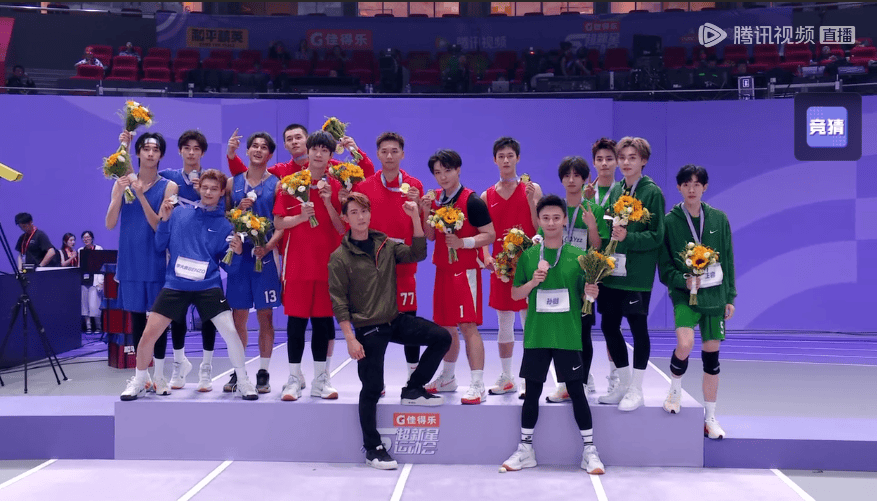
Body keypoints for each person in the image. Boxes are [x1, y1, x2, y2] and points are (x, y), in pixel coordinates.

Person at [328, 192, 452, 470]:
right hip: (367, 328)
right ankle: (372, 448)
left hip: (393, 319)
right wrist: (350, 339)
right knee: (372, 388)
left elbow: (417, 253)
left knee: (441, 337)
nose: (361, 217)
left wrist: (416, 217)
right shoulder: (339, 257)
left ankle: (413, 388)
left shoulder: (384, 243)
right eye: (354, 212)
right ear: (345, 218)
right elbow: (339, 302)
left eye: (364, 211)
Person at [120, 170, 258, 401]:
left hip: (208, 286)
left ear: (221, 192)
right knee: (148, 334)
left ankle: (243, 381)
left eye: (214, 189)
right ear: (198, 188)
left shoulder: (226, 225)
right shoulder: (179, 213)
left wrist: (238, 252)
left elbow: (230, 268)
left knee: (232, 333)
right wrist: (164, 220)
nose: (208, 192)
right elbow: (159, 245)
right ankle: (140, 380)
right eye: (205, 187)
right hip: (176, 284)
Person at [501, 195, 604, 474]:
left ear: (564, 220)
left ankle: (590, 451)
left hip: (567, 334)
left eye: (556, 218)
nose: (550, 223)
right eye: (545, 218)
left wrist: (591, 293)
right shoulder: (529, 257)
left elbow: (585, 295)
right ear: (539, 220)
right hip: (537, 334)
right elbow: (516, 294)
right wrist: (533, 282)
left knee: (577, 391)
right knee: (532, 392)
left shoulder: (578, 257)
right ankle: (525, 450)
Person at [658, 164, 736, 440]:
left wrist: (730, 296)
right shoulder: (669, 222)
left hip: (715, 296)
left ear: (705, 187)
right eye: (686, 184)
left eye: (697, 184)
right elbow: (664, 267)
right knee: (685, 344)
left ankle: (710, 418)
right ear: (679, 188)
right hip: (685, 295)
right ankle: (674, 390)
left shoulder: (718, 218)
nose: (691, 189)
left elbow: (727, 258)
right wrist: (683, 280)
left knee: (712, 357)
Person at [273, 131, 345, 401]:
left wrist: (327, 202)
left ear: (330, 155)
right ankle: (293, 379)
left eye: (324, 150)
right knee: (296, 323)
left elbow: (342, 228)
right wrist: (300, 218)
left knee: (323, 323)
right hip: (297, 265)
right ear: (308, 150)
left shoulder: (336, 186)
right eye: (315, 148)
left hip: (328, 265)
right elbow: (278, 222)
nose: (318, 154)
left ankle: (321, 380)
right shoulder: (290, 184)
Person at [106, 132, 179, 395]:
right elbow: (110, 223)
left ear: (161, 155)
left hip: (156, 261)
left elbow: (160, 226)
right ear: (137, 153)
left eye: (155, 149)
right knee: (137, 321)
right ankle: (142, 377)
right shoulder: (122, 184)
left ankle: (159, 376)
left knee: (158, 323)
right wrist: (119, 193)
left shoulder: (169, 187)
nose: (150, 153)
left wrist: (141, 195)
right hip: (129, 262)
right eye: (145, 148)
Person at [421, 149, 496, 405]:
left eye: (447, 170)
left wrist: (463, 242)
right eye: (437, 172)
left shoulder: (472, 200)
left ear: (458, 170)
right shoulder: (436, 200)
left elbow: (490, 235)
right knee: (446, 327)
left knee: (467, 326)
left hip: (465, 272)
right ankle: (448, 377)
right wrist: (425, 211)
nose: (443, 177)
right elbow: (431, 236)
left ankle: (477, 383)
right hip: (442, 270)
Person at [597, 137, 665, 412]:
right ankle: (623, 385)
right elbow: (607, 223)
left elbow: (657, 236)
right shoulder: (616, 190)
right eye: (622, 157)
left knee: (638, 328)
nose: (626, 162)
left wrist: (629, 238)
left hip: (637, 275)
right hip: (613, 272)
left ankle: (637, 389)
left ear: (643, 161)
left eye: (632, 158)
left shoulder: (652, 193)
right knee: (608, 326)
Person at [351, 132, 425, 385]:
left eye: (394, 151)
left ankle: (413, 378)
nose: (390, 156)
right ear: (378, 155)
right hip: (372, 269)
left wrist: (420, 205)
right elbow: (356, 225)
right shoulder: (364, 187)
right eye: (384, 151)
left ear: (402, 154)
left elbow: (422, 225)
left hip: (404, 268)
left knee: (410, 324)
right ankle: (375, 381)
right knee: (372, 326)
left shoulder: (414, 187)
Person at [478, 137, 541, 398]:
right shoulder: (486, 196)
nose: (506, 160)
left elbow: (539, 227)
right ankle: (507, 378)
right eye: (501, 156)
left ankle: (529, 379)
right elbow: (484, 232)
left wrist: (531, 201)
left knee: (529, 324)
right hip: (501, 269)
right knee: (504, 323)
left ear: (518, 158)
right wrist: (486, 256)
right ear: (495, 160)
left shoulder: (532, 189)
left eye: (510, 156)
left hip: (527, 268)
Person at [222, 132, 283, 394]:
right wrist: (239, 212)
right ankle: (239, 370)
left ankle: (263, 371)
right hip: (240, 257)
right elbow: (224, 217)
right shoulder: (231, 183)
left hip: (265, 257)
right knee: (239, 316)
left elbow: (281, 224)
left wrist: (268, 246)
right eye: (254, 146)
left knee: (265, 316)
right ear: (247, 151)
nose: (258, 150)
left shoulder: (278, 185)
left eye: (264, 147)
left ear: (270, 154)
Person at [545, 156, 609, 403]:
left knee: (583, 333)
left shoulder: (595, 210)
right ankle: (565, 384)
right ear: (561, 179)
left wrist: (592, 226)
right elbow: (543, 239)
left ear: (584, 179)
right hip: (559, 280)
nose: (571, 180)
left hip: (584, 283)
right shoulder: (555, 210)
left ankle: (580, 383)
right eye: (567, 175)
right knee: (560, 333)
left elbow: (599, 247)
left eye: (576, 175)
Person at [159, 129, 218, 392]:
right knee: (177, 315)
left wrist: (203, 195)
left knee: (208, 316)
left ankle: (206, 369)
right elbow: (144, 177)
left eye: (196, 148)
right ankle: (179, 364)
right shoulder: (169, 178)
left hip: (205, 258)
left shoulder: (210, 179)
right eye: (187, 148)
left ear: (202, 152)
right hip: (178, 258)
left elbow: (222, 209)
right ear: (180, 151)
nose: (191, 152)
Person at [583, 137, 621, 394]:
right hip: (585, 268)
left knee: (610, 326)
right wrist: (586, 199)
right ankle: (584, 377)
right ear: (594, 163)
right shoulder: (586, 192)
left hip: (611, 268)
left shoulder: (622, 193)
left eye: (609, 158)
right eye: (600, 159)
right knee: (583, 324)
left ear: (617, 162)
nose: (604, 163)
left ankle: (615, 377)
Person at [227, 124, 375, 180]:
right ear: (285, 146)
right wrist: (232, 155)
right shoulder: (280, 171)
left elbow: (368, 173)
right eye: (289, 139)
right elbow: (248, 177)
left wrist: (355, 151)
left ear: (308, 140)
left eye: (298, 138)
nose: (294, 142)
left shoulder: (332, 167)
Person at [79, 231, 104, 334]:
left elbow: (101, 266)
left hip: (95, 281)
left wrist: (101, 281)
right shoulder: (80, 250)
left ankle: (98, 327)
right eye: (84, 237)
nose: (86, 239)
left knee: (95, 305)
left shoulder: (98, 249)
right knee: (84, 306)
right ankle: (88, 327)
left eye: (88, 237)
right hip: (84, 281)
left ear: (92, 238)